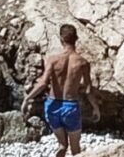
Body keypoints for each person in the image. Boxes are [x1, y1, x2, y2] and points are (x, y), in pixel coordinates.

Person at [23, 24, 99, 157]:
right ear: (76, 39)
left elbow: (42, 83)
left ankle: (61, 147)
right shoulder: (82, 62)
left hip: (52, 106)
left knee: (62, 145)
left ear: (61, 39)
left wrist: (27, 99)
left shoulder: (52, 60)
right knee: (75, 149)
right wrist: (95, 108)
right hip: (70, 107)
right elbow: (88, 90)